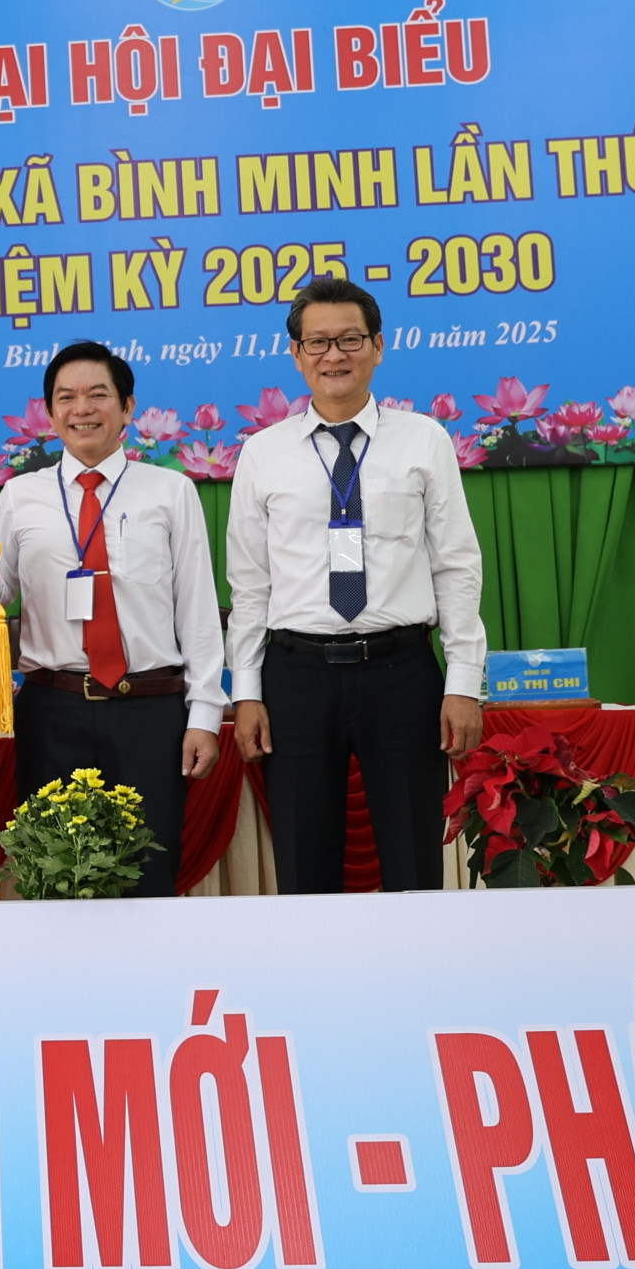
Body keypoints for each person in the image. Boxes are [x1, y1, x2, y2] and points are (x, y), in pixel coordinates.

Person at [226, 278, 488, 893]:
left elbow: (456, 565)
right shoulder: (263, 453)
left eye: (349, 339)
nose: (334, 356)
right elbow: (249, 585)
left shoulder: (424, 439)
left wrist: (463, 683)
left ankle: (417, 957)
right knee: (304, 864)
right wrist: (247, 691)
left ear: (377, 346)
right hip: (296, 677)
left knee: (413, 861)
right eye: (317, 342)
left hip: (401, 672)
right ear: (296, 354)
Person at [0, 341, 226, 897]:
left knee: (149, 878)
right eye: (66, 398)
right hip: (52, 712)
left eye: (98, 395)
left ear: (127, 407)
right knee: (56, 882)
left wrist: (205, 716)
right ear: (50, 413)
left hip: (150, 713)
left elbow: (197, 609)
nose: (82, 409)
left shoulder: (171, 491)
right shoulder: (20, 496)